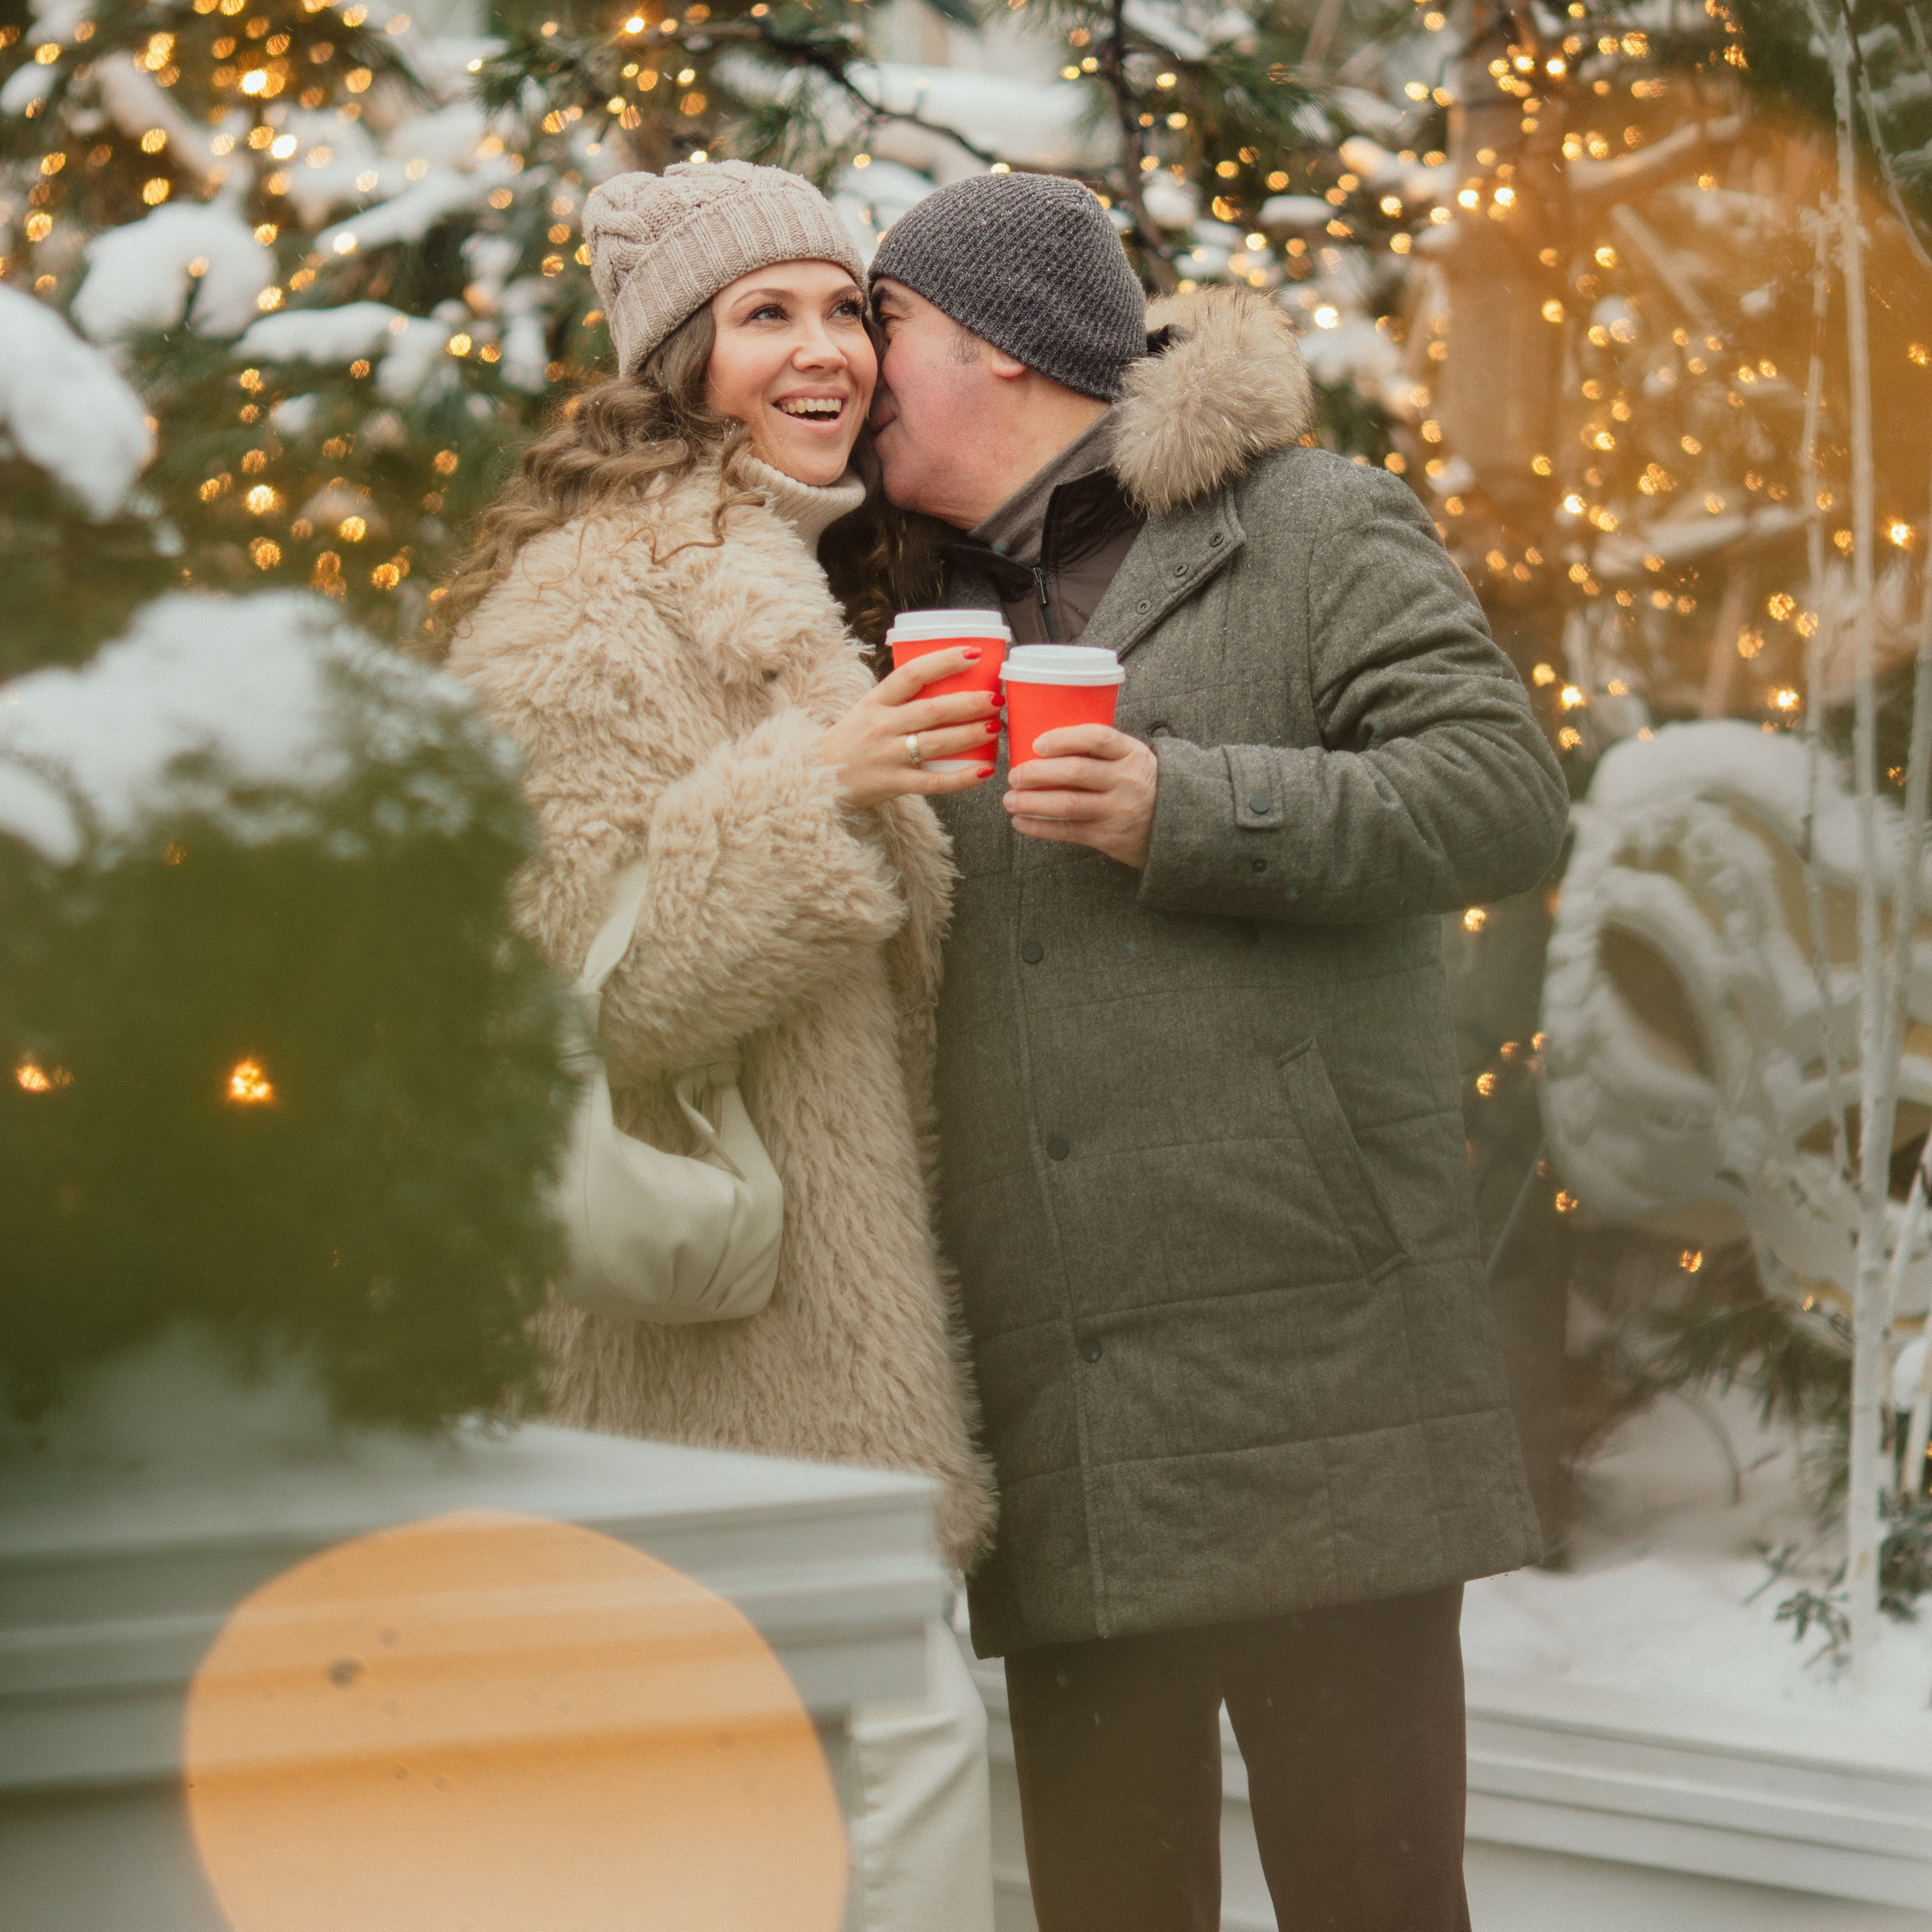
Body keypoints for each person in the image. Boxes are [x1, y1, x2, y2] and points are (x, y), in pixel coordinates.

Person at [865, 171, 1571, 1932]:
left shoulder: (1311, 522)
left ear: (999, 349)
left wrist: (1193, 802)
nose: (855, 371)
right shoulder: (878, 601)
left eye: (881, 327)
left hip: (1316, 1372)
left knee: (1376, 1899)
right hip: (1061, 1398)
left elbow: (1500, 799)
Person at [435, 158, 1001, 1932]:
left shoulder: (793, 575)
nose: (824, 348)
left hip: (812, 1362)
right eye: (767, 314)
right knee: (850, 1814)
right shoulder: (579, 609)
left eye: (846, 308)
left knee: (839, 1815)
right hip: (708, 1371)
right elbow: (567, 997)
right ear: (676, 362)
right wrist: (813, 787)